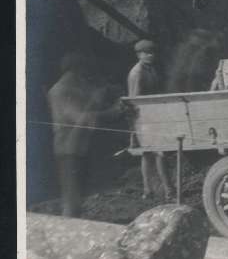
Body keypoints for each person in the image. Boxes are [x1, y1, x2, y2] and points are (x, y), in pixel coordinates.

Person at [47, 52, 123, 217]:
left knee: (79, 197)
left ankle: (72, 226)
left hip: (80, 147)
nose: (86, 76)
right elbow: (82, 118)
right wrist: (104, 105)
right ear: (76, 70)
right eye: (84, 71)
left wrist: (111, 101)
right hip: (68, 149)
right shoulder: (61, 90)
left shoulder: (75, 88)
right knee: (71, 199)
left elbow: (93, 109)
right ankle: (67, 233)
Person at [128, 39, 175, 200]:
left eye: (152, 52)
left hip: (154, 116)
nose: (150, 55)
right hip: (144, 118)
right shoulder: (137, 72)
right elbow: (135, 99)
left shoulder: (150, 69)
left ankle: (148, 191)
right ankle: (168, 190)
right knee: (157, 153)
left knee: (148, 155)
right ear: (139, 55)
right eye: (147, 53)